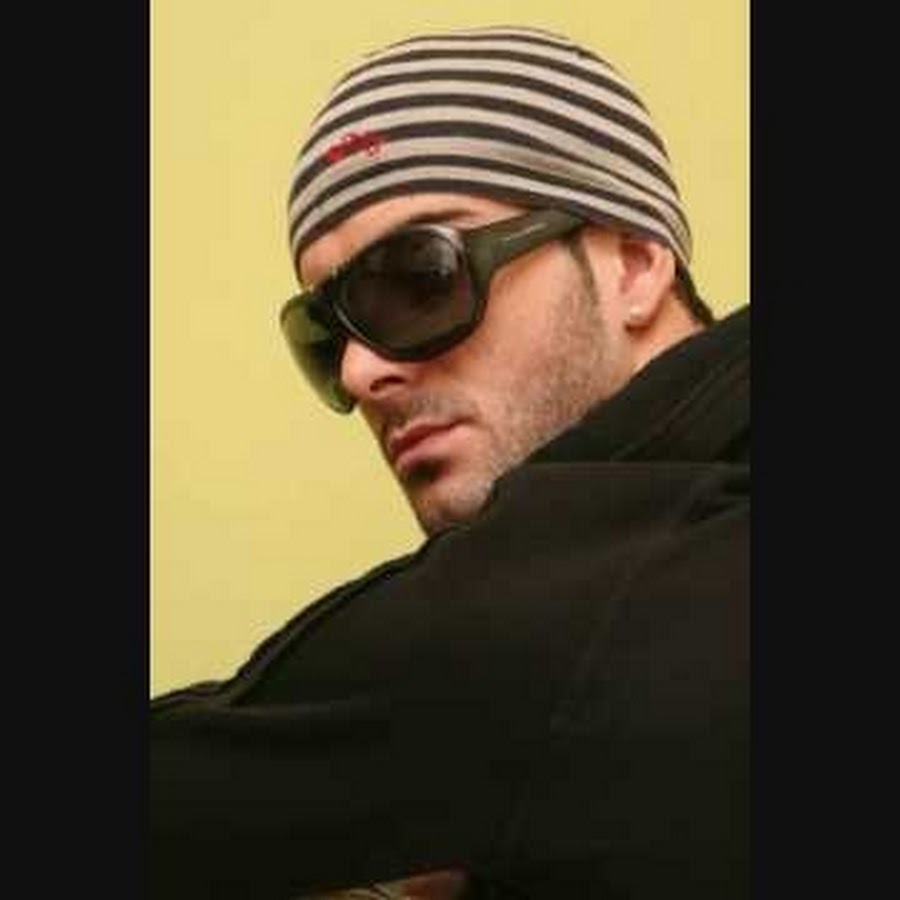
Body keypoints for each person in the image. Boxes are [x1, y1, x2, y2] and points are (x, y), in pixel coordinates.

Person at [151, 25, 749, 899]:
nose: (360, 373)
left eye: (420, 277)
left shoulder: (573, 596)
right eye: (326, 333)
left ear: (633, 262)